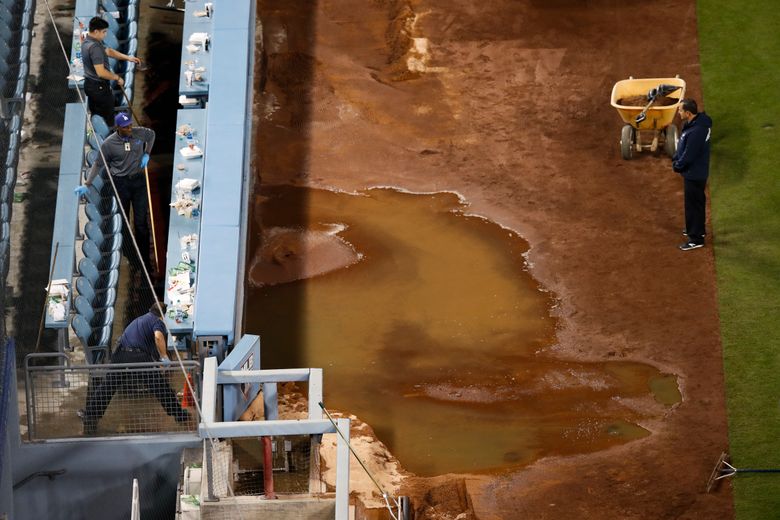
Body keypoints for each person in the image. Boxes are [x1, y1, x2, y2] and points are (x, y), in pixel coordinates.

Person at [81, 304, 190, 435]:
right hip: (137, 356)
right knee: (160, 387)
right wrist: (164, 356)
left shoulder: (141, 319)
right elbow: (158, 337)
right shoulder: (157, 321)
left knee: (108, 386)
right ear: (163, 315)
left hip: (121, 353)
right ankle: (179, 415)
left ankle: (90, 416)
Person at [76, 112, 155, 269]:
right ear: (119, 127)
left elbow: (151, 135)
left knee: (141, 223)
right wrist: (88, 183)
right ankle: (133, 259)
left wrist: (147, 153)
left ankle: (145, 260)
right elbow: (98, 164)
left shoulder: (139, 132)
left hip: (138, 182)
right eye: (126, 127)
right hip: (121, 184)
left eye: (130, 125)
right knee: (124, 223)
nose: (129, 128)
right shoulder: (108, 144)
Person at [81, 16, 142, 125]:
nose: (105, 35)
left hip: (90, 85)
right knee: (108, 119)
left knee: (98, 115)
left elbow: (109, 51)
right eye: (104, 32)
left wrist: (128, 58)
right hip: (99, 89)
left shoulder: (89, 40)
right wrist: (117, 77)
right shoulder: (94, 48)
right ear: (96, 31)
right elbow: (101, 72)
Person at [672, 98, 712, 251]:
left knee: (693, 205)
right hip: (694, 172)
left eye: (680, 110)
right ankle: (695, 229)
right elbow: (684, 146)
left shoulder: (697, 131)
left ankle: (696, 239)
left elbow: (690, 154)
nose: (678, 112)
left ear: (688, 113)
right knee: (696, 203)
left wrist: (678, 165)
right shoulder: (695, 124)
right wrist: (677, 157)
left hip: (694, 174)